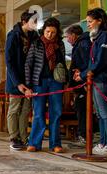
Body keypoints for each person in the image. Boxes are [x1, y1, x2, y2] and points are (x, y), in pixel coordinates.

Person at [25, 17, 68, 153]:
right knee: (38, 113)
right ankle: (34, 143)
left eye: (53, 32)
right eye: (48, 31)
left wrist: (65, 80)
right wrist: (28, 85)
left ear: (57, 33)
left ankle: (55, 144)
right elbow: (28, 64)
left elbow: (62, 64)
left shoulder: (60, 44)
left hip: (56, 82)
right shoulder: (36, 43)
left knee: (56, 112)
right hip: (39, 82)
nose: (50, 35)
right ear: (44, 31)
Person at [75, 8, 107, 156]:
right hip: (95, 79)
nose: (88, 25)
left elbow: (101, 60)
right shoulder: (98, 37)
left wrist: (84, 74)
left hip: (102, 78)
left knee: (105, 113)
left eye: (90, 22)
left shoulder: (106, 36)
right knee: (100, 114)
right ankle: (103, 141)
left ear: (99, 21)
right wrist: (84, 74)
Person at [5, 10, 39, 151]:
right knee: (14, 109)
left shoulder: (34, 36)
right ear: (24, 22)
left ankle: (24, 137)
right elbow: (9, 61)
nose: (36, 25)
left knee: (25, 110)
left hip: (29, 79)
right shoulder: (13, 36)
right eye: (33, 22)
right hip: (16, 80)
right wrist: (18, 83)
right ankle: (14, 137)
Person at [65, 24, 91, 146]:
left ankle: (84, 137)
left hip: (83, 85)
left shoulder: (83, 44)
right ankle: (83, 136)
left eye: (68, 37)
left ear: (74, 35)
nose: (67, 39)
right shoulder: (80, 44)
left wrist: (84, 80)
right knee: (80, 109)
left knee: (82, 110)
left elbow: (87, 64)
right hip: (80, 84)